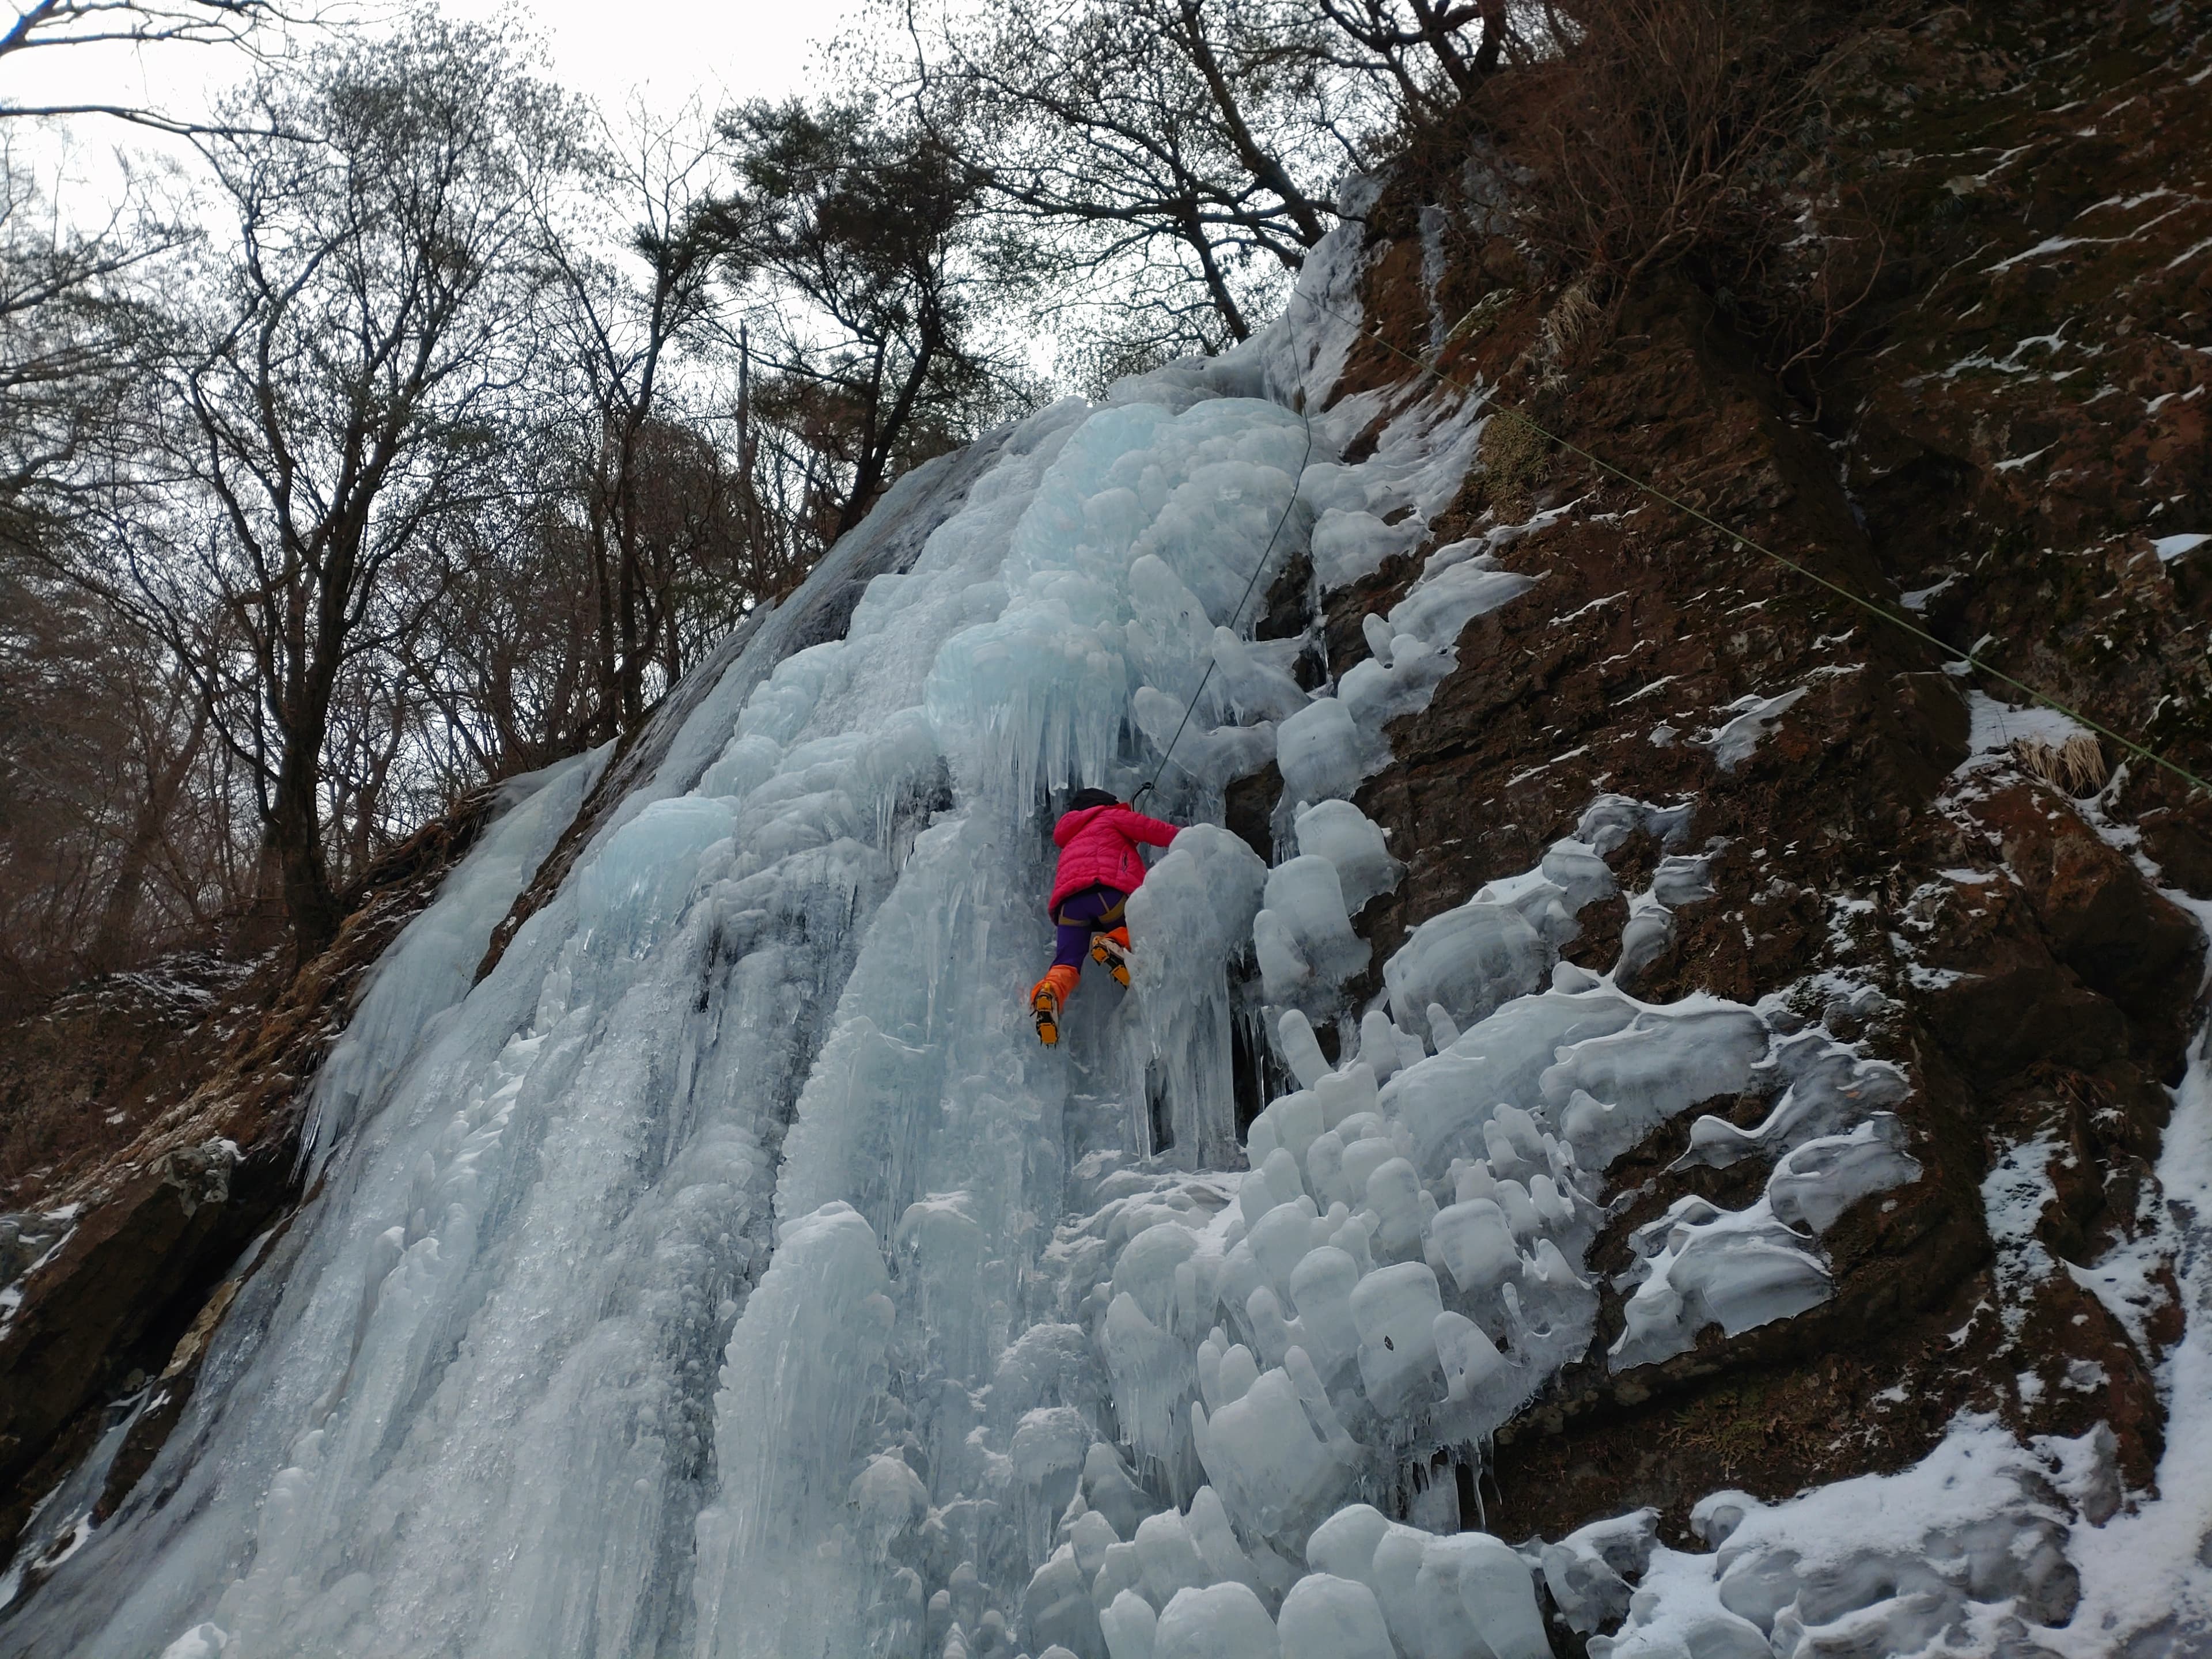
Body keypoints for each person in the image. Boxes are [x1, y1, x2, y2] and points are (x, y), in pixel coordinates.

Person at [1030, 787, 1181, 1046]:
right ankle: (1115, 944)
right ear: (1105, 804)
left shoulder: (1071, 834)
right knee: (1142, 924)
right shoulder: (1110, 816)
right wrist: (1190, 838)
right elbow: (1154, 830)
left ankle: (1049, 993)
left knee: (1066, 963)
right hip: (1107, 892)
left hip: (1069, 905)